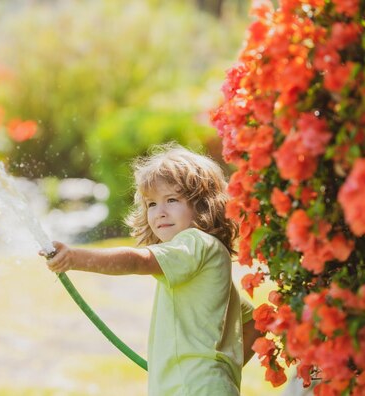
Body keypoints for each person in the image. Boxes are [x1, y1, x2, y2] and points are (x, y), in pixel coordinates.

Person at [41, 143, 261, 395]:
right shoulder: (208, 259)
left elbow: (138, 261)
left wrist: (76, 258)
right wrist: (220, 375)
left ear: (203, 205)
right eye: (151, 204)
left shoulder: (195, 242)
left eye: (171, 200)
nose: (160, 212)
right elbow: (254, 322)